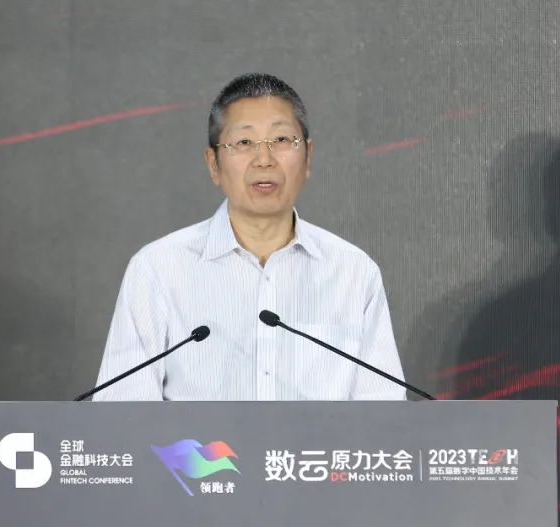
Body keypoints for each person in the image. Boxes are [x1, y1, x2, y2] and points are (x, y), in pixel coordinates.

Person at [93, 73, 405, 401]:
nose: (264, 159)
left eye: (282, 140)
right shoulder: (158, 269)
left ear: (308, 157)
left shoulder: (354, 273)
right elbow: (122, 413)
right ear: (213, 164)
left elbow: (382, 414)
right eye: (243, 143)